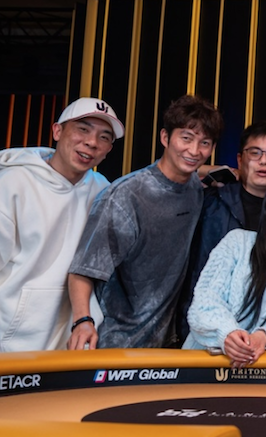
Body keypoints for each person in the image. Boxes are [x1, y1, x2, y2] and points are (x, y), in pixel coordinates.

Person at [67, 95, 224, 349]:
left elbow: (195, 171)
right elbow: (83, 270)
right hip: (117, 342)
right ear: (165, 137)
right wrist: (82, 321)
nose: (195, 151)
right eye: (186, 138)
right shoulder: (126, 196)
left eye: (204, 143)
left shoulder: (194, 188)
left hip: (167, 342)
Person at [0, 97, 123, 353]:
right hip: (7, 347)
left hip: (76, 345)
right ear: (57, 131)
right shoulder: (9, 185)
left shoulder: (103, 190)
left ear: (108, 149)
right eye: (83, 129)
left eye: (104, 137)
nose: (92, 142)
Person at [183, 174, 266, 367]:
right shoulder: (237, 243)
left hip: (265, 376)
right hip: (202, 366)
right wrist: (228, 333)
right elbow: (204, 302)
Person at [175, 121, 266, 345]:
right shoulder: (210, 203)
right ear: (240, 160)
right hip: (206, 337)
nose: (264, 161)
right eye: (255, 153)